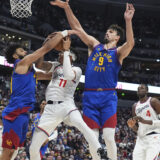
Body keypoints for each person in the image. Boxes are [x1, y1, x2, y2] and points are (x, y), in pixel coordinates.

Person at [50, 1, 135, 160]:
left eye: (110, 32)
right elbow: (77, 28)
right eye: (107, 31)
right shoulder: (94, 45)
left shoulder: (118, 53)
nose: (107, 33)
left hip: (108, 97)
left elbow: (130, 43)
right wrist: (66, 7)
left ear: (117, 37)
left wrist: (128, 21)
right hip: (90, 97)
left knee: (109, 137)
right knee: (92, 138)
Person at [29, 35, 109, 160]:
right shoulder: (55, 65)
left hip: (66, 105)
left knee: (80, 123)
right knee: (33, 148)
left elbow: (67, 75)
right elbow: (39, 65)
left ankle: (100, 150)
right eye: (60, 53)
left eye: (62, 53)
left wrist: (66, 50)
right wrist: (45, 46)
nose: (59, 54)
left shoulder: (77, 69)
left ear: (71, 56)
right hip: (50, 109)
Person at [0, 30, 74, 160]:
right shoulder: (21, 65)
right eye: (21, 51)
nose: (25, 52)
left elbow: (50, 75)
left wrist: (67, 65)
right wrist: (63, 34)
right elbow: (44, 49)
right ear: (15, 56)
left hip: (23, 114)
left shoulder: (32, 73)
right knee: (7, 151)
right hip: (14, 113)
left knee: (14, 151)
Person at [127, 84, 160, 160]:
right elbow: (138, 129)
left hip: (154, 137)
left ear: (147, 91)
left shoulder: (153, 101)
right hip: (140, 139)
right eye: (138, 88)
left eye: (142, 88)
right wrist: (132, 126)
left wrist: (144, 121)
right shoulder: (135, 106)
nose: (139, 89)